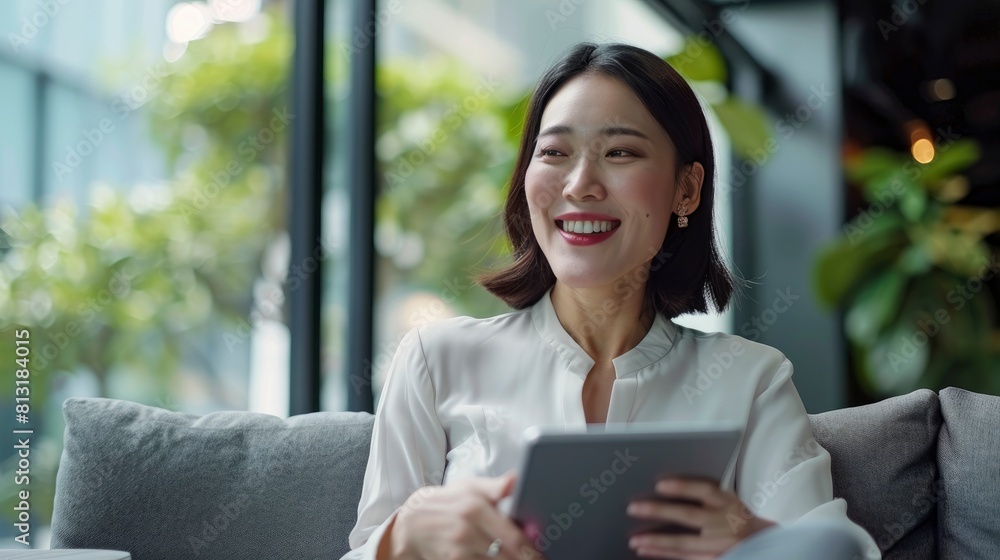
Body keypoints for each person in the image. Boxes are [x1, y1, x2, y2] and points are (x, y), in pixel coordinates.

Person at [342, 42, 881, 560]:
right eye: (554, 152)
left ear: (686, 191)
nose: (580, 184)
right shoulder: (436, 361)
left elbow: (839, 551)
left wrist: (749, 531)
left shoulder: (750, 380)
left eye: (620, 152)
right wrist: (403, 539)